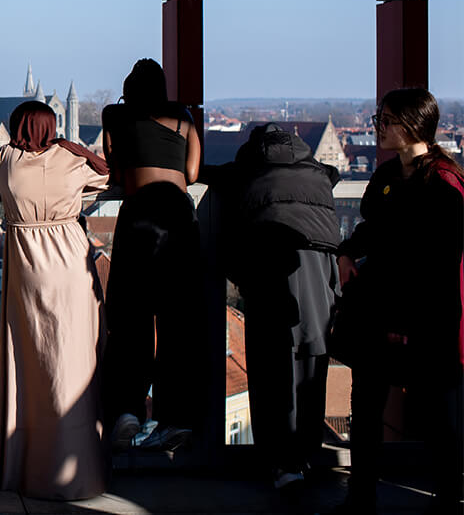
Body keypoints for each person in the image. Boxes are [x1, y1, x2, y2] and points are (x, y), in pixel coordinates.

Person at [0, 101, 111, 500]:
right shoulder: (72, 161)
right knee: (74, 366)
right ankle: (77, 469)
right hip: (71, 266)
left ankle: (29, 468)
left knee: (30, 367)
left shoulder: (6, 159)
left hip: (27, 267)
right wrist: (75, 148)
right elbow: (105, 175)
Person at [335, 88, 463, 514]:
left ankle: (447, 501)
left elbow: (441, 268)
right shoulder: (390, 176)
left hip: (427, 323)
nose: (379, 127)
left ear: (411, 125)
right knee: (366, 408)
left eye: (386, 120)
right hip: (382, 314)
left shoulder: (444, 186)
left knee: (438, 417)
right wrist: (347, 252)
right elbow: (373, 228)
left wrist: (406, 322)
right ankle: (361, 498)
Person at [203, 123, 342, 489]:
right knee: (311, 364)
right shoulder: (317, 172)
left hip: (270, 270)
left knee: (270, 366)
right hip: (318, 272)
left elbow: (211, 175)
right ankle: (305, 454)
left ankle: (281, 463)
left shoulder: (249, 170)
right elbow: (335, 174)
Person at [99, 58, 203, 452]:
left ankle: (126, 411)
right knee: (177, 320)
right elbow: (192, 172)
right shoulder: (183, 118)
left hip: (139, 212)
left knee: (130, 316)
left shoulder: (115, 115)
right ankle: (175, 416)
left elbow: (116, 169)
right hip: (178, 216)